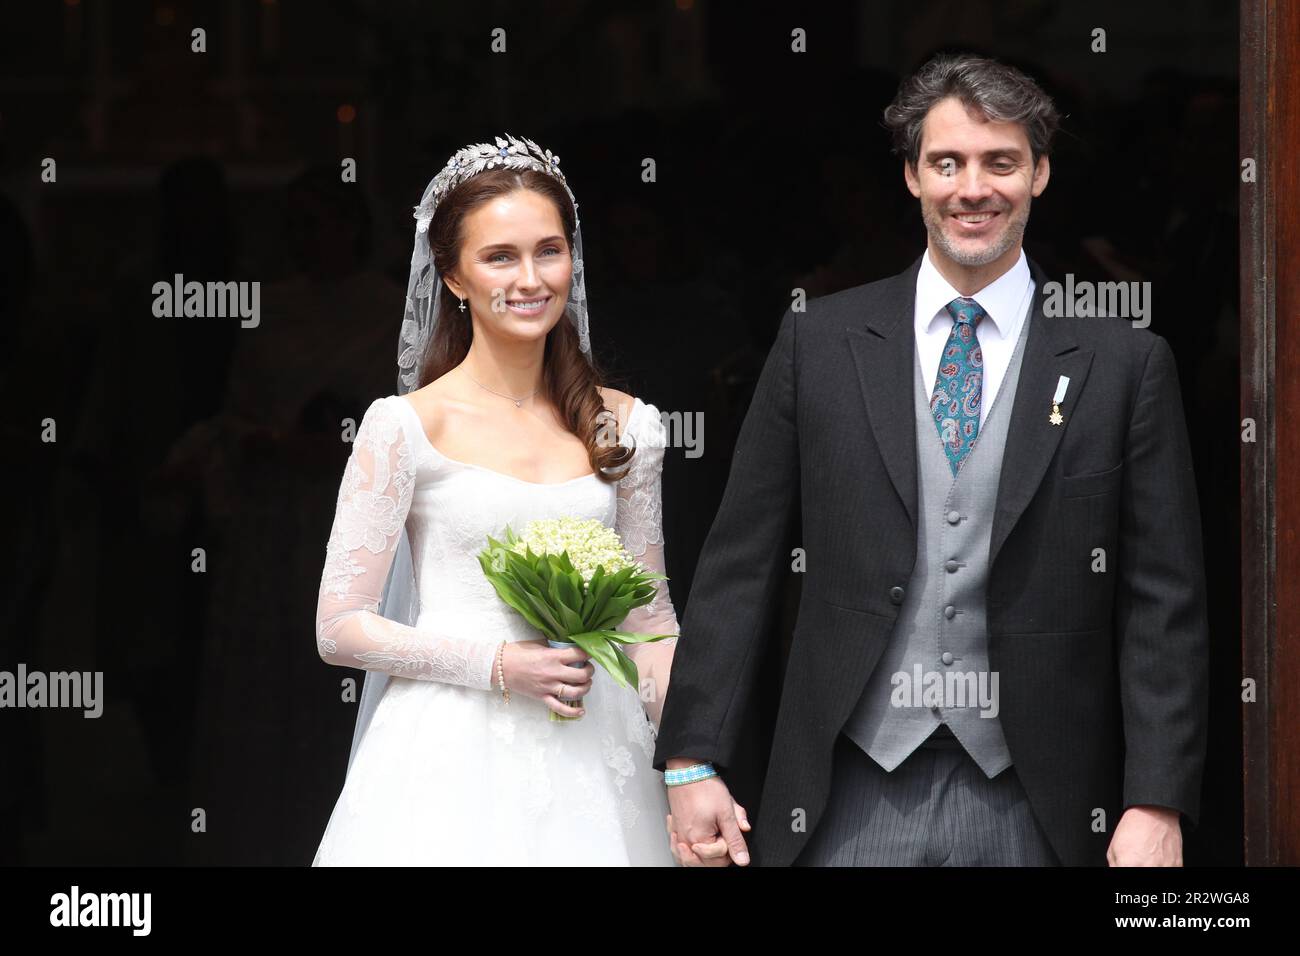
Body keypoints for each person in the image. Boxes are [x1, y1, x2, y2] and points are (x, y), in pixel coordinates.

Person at [656, 54, 1209, 867]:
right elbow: (740, 565)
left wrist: (1156, 798)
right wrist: (693, 757)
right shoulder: (820, 342)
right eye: (947, 162)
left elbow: (1164, 603)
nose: (971, 188)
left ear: (1041, 174)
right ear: (912, 175)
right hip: (846, 792)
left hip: (1040, 802)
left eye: (1001, 162)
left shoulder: (1124, 365)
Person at [311, 134, 680, 865]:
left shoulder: (625, 426)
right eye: (499, 256)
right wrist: (499, 666)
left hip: (597, 746)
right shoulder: (405, 426)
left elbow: (653, 621)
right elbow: (340, 628)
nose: (530, 277)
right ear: (452, 275)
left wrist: (691, 761)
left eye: (549, 250)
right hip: (445, 751)